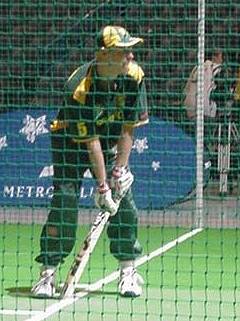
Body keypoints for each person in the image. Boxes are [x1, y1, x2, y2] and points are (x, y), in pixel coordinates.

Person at [31, 25, 149, 298]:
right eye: (123, 51)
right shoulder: (78, 87)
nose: (130, 56)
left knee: (125, 199)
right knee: (65, 200)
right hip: (69, 142)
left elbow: (128, 128)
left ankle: (127, 271)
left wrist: (119, 171)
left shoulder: (134, 76)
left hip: (108, 139)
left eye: (130, 51)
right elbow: (89, 140)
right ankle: (47, 275)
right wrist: (102, 187)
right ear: (104, 55)